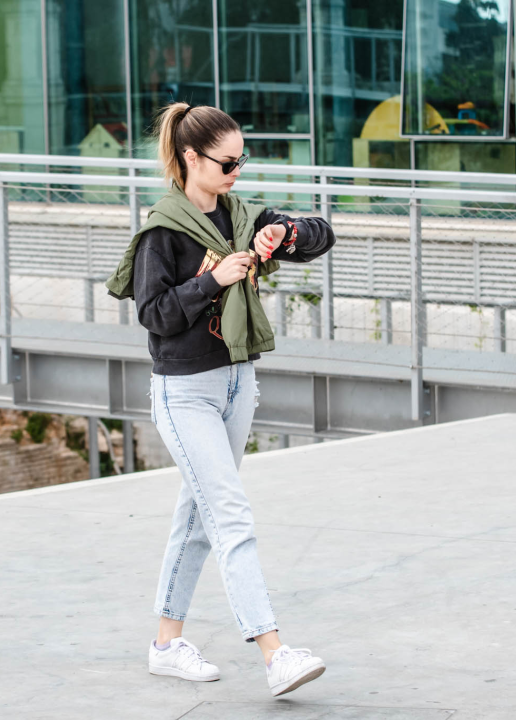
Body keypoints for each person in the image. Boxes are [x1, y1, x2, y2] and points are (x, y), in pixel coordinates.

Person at [105, 102, 335, 697]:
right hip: (184, 393)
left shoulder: (241, 214)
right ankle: (274, 651)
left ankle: (165, 644)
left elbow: (320, 234)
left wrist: (285, 233)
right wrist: (213, 280)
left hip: (238, 382)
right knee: (229, 514)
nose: (236, 171)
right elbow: (153, 314)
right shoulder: (164, 229)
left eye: (241, 160)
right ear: (190, 159)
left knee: (197, 520)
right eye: (227, 161)